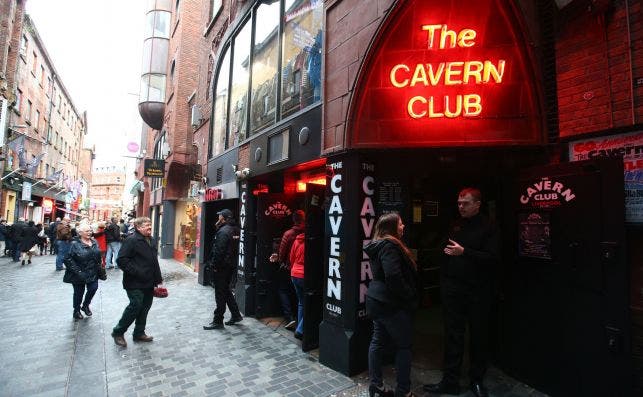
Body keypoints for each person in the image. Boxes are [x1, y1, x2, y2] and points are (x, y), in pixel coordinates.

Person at [423, 188, 499, 397]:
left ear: (477, 204)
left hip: (478, 290)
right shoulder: (455, 224)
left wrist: (464, 252)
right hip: (453, 288)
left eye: (465, 203)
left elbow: (493, 258)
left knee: (478, 336)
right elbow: (443, 248)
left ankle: (476, 380)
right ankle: (450, 381)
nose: (461, 207)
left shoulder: (489, 227)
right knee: (452, 335)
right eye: (459, 203)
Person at [364, 212, 418, 397]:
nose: (403, 227)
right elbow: (393, 275)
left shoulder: (378, 245)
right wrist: (408, 295)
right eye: (401, 224)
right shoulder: (389, 246)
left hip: (377, 300)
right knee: (404, 346)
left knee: (377, 342)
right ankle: (404, 391)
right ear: (392, 227)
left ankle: (376, 387)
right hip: (390, 303)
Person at [112, 217, 163, 347]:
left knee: (145, 307)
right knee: (135, 306)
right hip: (134, 283)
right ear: (138, 227)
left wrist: (158, 280)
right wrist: (137, 272)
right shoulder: (131, 240)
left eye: (150, 225)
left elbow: (154, 261)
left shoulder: (151, 240)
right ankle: (118, 332)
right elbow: (121, 260)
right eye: (147, 225)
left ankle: (139, 333)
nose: (150, 227)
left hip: (149, 282)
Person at [203, 209, 243, 330]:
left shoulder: (223, 231)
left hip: (221, 268)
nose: (218, 217)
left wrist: (214, 266)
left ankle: (218, 320)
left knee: (220, 293)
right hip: (230, 266)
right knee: (225, 290)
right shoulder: (235, 229)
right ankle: (236, 315)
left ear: (223, 218)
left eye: (219, 215)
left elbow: (219, 251)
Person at [269, 210, 306, 331]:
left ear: (294, 220)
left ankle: (290, 318)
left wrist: (280, 261)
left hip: (291, 269)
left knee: (283, 290)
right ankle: (299, 323)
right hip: (301, 270)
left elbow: (283, 252)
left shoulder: (288, 234)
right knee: (300, 297)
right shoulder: (306, 233)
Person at [62, 223, 105, 320]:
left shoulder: (94, 242)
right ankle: (76, 310)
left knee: (93, 288)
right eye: (87, 231)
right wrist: (78, 271)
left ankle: (85, 305)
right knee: (78, 293)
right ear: (80, 233)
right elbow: (67, 259)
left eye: (90, 230)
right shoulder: (74, 244)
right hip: (79, 272)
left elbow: (98, 254)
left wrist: (101, 264)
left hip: (93, 270)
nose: (89, 233)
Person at [288, 211, 306, 340]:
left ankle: (300, 326)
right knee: (310, 303)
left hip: (295, 273)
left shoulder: (297, 240)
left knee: (301, 302)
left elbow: (291, 258)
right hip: (304, 275)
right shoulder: (310, 242)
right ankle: (300, 330)